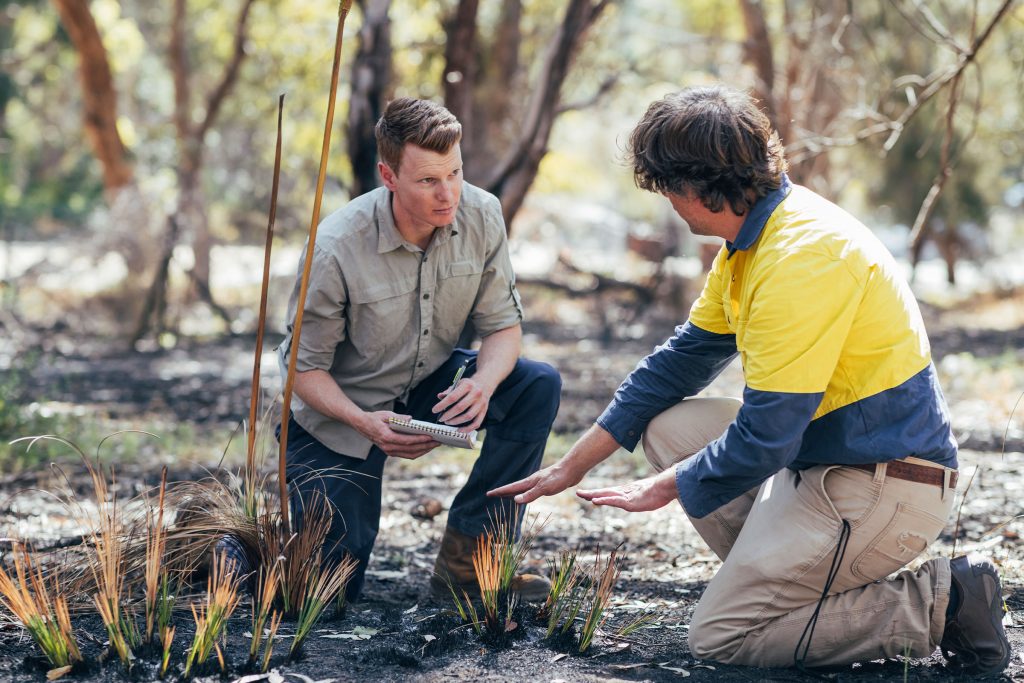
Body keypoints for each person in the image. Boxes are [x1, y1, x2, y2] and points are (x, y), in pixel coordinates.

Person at [491, 85, 1010, 674]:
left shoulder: (800, 257)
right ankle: (777, 594)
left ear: (692, 186)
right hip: (825, 463)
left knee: (719, 640)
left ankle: (944, 604)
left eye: (664, 187)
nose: (666, 201)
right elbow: (678, 363)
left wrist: (664, 487)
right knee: (671, 426)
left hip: (884, 484)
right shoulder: (749, 244)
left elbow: (767, 436)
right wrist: (572, 465)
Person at [278, 97, 560, 603]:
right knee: (322, 595)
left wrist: (482, 383)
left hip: (428, 380)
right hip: (341, 412)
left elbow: (502, 328)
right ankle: (226, 545)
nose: (448, 192)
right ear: (388, 176)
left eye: (454, 172)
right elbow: (303, 370)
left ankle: (472, 564)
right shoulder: (336, 247)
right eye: (428, 180)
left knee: (534, 385)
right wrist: (366, 423)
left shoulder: (483, 213)